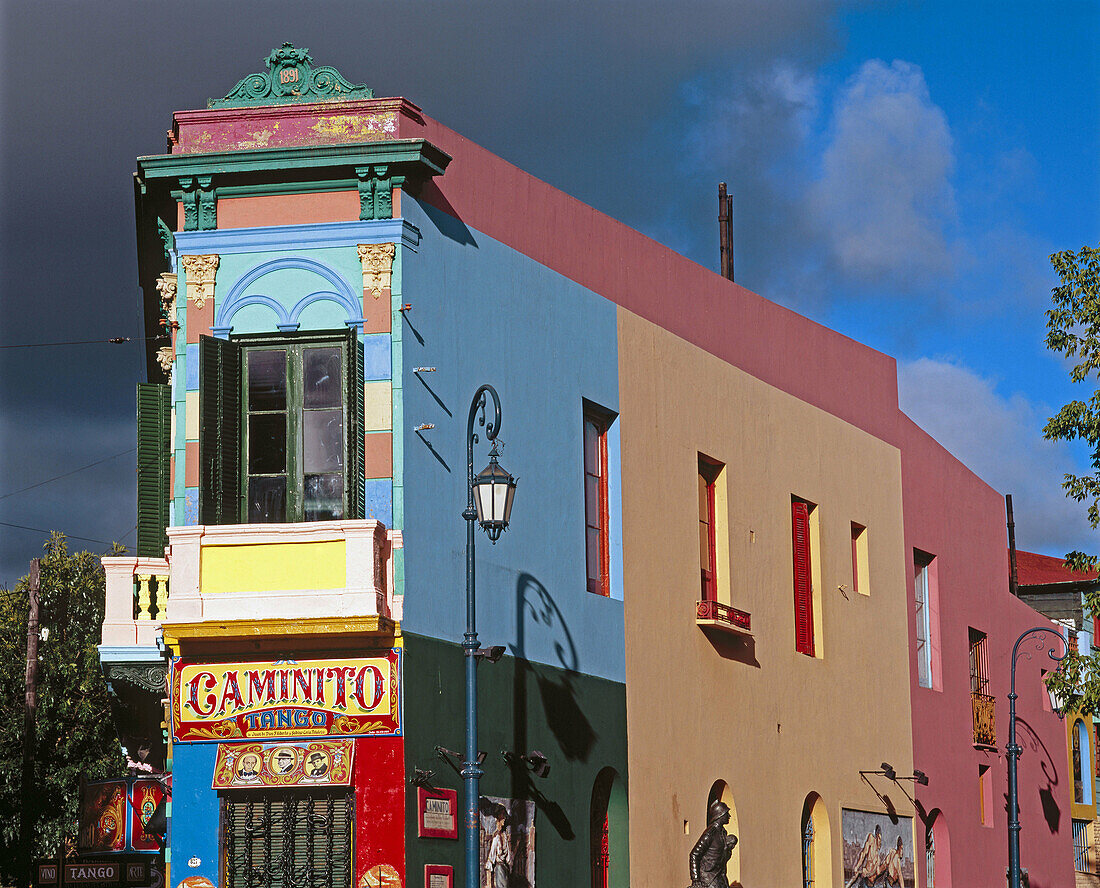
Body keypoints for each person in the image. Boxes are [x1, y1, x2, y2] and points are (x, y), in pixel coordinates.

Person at [688, 800, 738, 888]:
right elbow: (694, 854)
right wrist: (695, 879)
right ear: (720, 815)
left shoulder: (723, 833)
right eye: (727, 813)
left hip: (720, 876)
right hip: (708, 878)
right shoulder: (710, 833)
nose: (729, 816)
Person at [484, 811, 512, 888]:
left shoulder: (505, 836)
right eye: (503, 818)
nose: (504, 820)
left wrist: (509, 865)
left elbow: (508, 855)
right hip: (499, 868)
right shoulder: (496, 837)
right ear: (499, 820)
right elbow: (492, 854)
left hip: (505, 867)